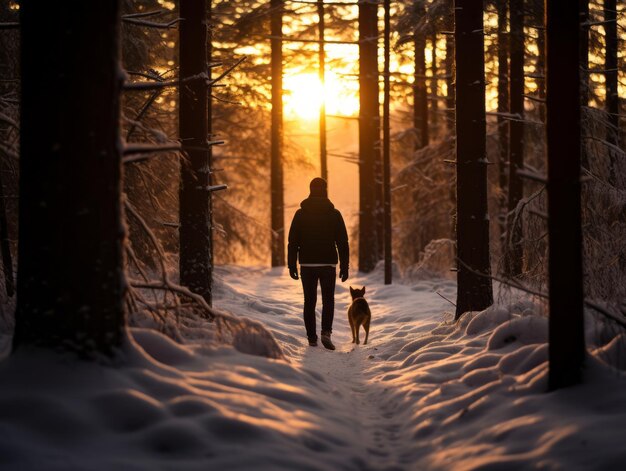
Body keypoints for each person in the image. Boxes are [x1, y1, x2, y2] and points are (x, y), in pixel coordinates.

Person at [287, 177, 349, 350]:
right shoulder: (334, 214)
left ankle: (312, 338)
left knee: (309, 301)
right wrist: (345, 266)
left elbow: (293, 242)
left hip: (307, 264)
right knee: (328, 300)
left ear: (310, 190)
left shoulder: (300, 214)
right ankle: (326, 333)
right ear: (325, 190)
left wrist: (292, 265)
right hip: (328, 263)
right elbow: (342, 242)